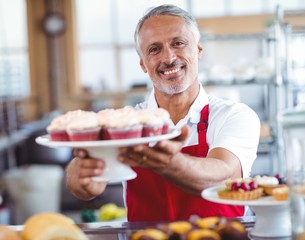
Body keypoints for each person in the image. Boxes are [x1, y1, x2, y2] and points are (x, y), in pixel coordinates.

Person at [66, 4, 260, 222]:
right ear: (143, 64)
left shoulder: (234, 115)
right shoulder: (126, 124)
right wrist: (79, 177)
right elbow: (86, 182)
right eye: (154, 49)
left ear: (198, 50)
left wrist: (167, 163)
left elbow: (223, 178)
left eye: (178, 43)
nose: (168, 58)